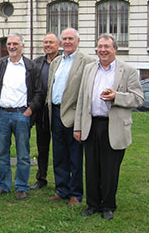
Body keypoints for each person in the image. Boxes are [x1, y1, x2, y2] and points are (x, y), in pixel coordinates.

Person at [74, 34, 143, 220]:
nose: (102, 50)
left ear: (115, 49)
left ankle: (108, 206)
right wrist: (78, 127)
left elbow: (138, 98)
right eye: (99, 46)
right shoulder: (89, 69)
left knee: (110, 168)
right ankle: (92, 204)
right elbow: (82, 99)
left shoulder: (127, 70)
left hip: (114, 127)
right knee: (91, 167)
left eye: (106, 47)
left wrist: (117, 97)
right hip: (91, 124)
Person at [0, 34, 43, 200]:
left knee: (23, 154)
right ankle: (3, 185)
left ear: (22, 46)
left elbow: (39, 92)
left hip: (21, 114)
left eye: (15, 44)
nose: (11, 46)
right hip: (1, 114)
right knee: (1, 152)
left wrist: (30, 110)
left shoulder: (31, 67)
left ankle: (21, 186)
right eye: (9, 44)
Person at [46, 28, 94, 206]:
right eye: (64, 39)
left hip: (74, 115)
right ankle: (62, 189)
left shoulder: (87, 62)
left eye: (70, 39)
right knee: (59, 155)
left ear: (78, 41)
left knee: (75, 157)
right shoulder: (56, 62)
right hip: (56, 114)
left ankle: (76, 193)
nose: (67, 42)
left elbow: (87, 92)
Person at [31, 33, 60, 190]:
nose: (48, 45)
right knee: (42, 146)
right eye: (45, 42)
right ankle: (41, 177)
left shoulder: (63, 62)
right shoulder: (37, 63)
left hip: (57, 109)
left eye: (51, 42)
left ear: (58, 44)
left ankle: (61, 179)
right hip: (40, 111)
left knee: (60, 146)